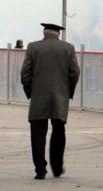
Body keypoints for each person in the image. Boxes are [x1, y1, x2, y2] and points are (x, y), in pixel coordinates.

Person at [20, 23, 80, 180]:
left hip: (39, 97)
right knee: (59, 132)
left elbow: (25, 73)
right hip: (60, 97)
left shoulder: (33, 47)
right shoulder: (68, 48)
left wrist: (31, 91)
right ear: (58, 34)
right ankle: (57, 168)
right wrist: (68, 91)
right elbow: (74, 73)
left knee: (37, 134)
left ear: (44, 33)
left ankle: (40, 170)